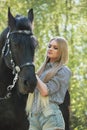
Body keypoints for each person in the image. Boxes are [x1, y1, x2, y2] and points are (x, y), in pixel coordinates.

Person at [26, 36, 71, 130]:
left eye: (55, 48)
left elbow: (45, 91)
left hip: (50, 117)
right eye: (49, 46)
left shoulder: (63, 70)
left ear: (62, 51)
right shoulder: (42, 71)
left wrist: (32, 71)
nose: (50, 49)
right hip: (34, 118)